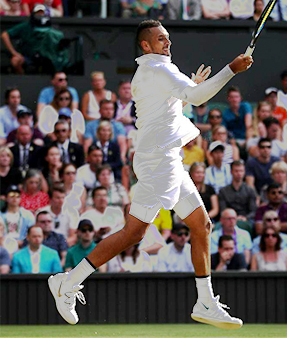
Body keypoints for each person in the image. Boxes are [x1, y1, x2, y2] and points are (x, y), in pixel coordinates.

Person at [49, 19, 251, 329]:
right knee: (136, 233)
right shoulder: (159, 69)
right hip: (159, 162)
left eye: (167, 38)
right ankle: (68, 281)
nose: (167, 42)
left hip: (164, 158)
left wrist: (191, 89)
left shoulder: (155, 70)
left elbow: (182, 99)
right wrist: (232, 69)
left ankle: (205, 301)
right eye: (160, 39)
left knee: (201, 225)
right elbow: (197, 98)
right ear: (146, 45)